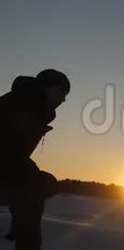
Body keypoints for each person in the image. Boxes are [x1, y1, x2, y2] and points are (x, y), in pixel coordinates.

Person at [0, 69, 70, 249]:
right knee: (35, 188)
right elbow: (8, 157)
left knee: (34, 188)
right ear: (47, 87)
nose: (64, 99)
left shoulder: (28, 104)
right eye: (62, 91)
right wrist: (38, 177)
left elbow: (14, 157)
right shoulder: (23, 107)